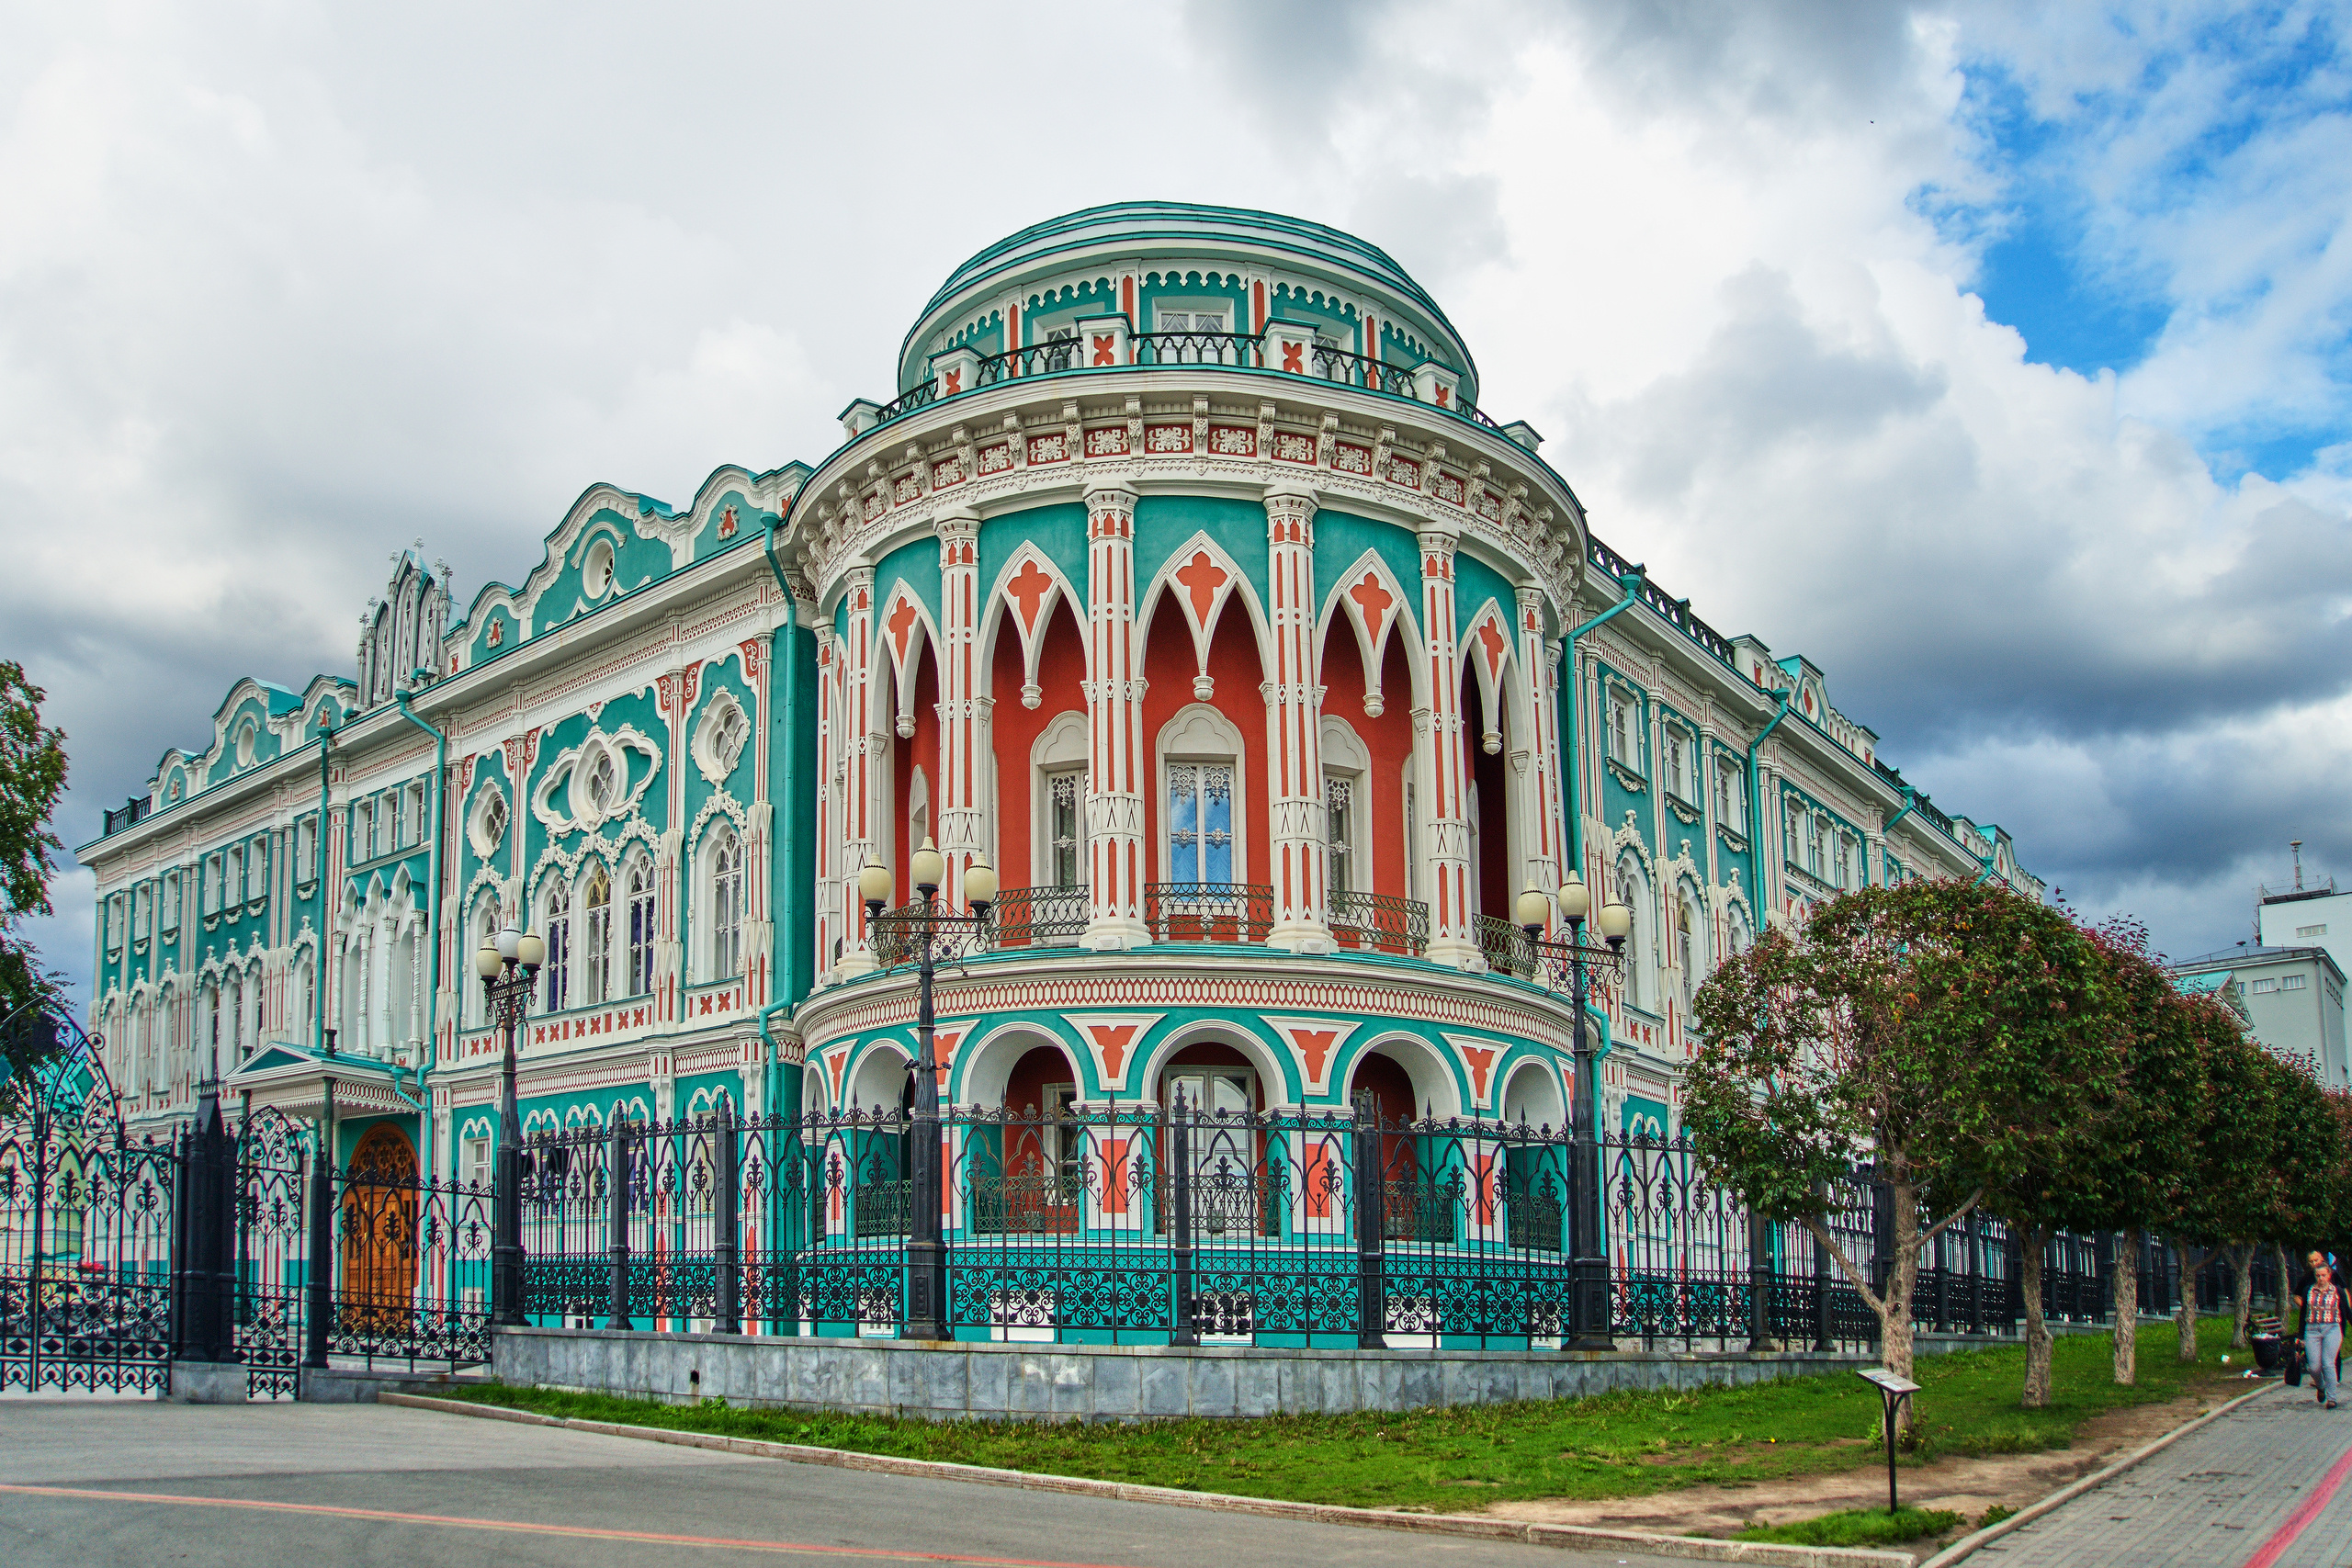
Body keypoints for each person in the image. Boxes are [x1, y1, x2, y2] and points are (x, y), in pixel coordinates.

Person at [2295, 1253, 2350, 1410]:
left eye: (2324, 1275)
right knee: (2314, 1367)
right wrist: (2300, 1335)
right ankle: (2321, 1387)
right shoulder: (2308, 1291)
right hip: (2312, 1330)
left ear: (2329, 1275)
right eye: (2318, 1276)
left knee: (2328, 1363)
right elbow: (2303, 1313)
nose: (2321, 1278)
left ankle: (2332, 1398)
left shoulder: (2337, 1291)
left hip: (2332, 1328)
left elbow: (2346, 1311)